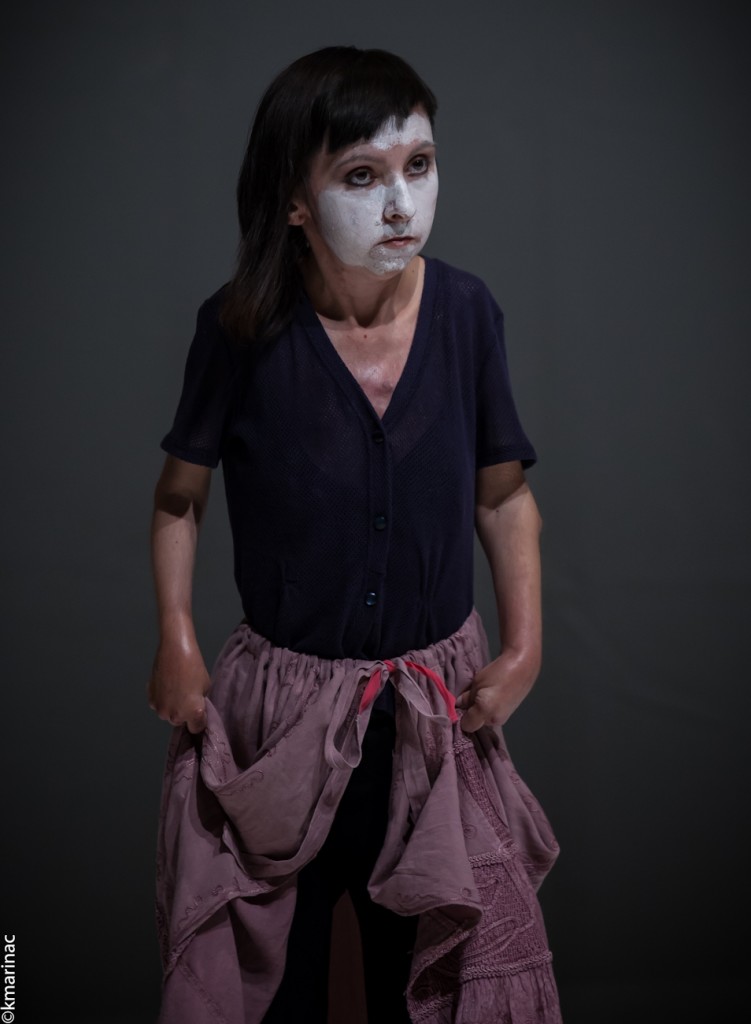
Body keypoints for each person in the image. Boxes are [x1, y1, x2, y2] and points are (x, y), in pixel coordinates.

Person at [148, 46, 562, 1024]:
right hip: (279, 723)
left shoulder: (466, 314)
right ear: (295, 200)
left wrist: (524, 646)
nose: (400, 204)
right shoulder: (240, 328)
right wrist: (176, 637)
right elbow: (180, 497)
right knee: (274, 980)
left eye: (419, 165)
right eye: (361, 176)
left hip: (433, 716)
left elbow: (502, 497)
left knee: (415, 978)